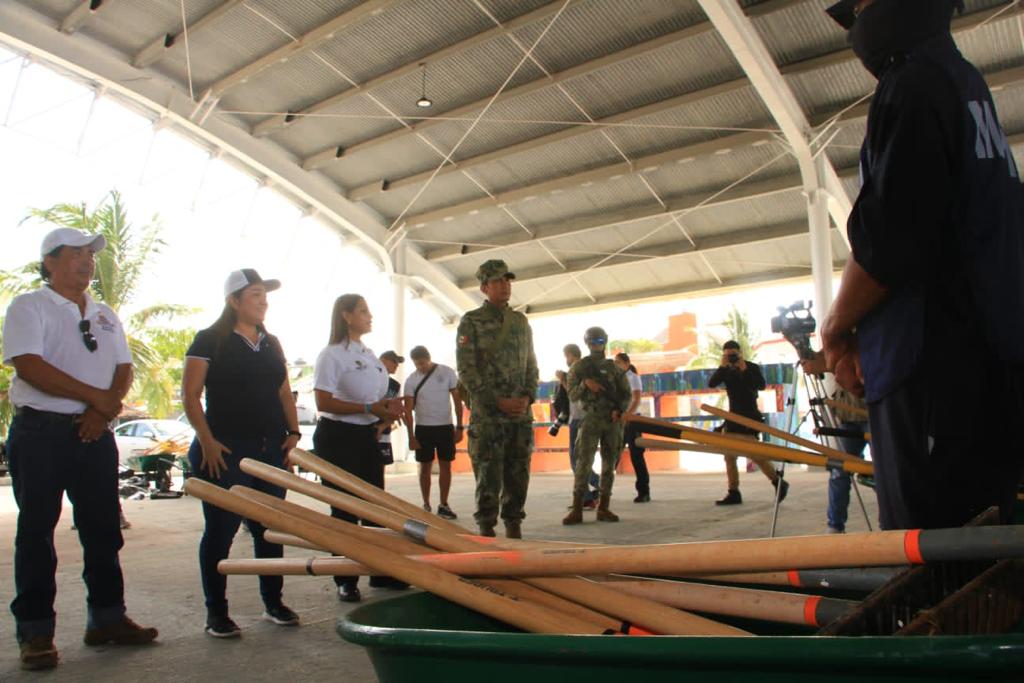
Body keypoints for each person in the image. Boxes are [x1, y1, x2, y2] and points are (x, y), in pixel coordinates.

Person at [822, 0, 1024, 529]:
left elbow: (892, 235)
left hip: (933, 369)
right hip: (988, 362)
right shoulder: (965, 84)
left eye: (862, 7)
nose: (856, 25)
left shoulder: (912, 85)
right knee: (983, 549)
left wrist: (838, 326)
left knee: (929, 553)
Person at [3, 228, 157, 670]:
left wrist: (101, 412)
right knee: (37, 532)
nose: (88, 261)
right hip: (41, 434)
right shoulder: (29, 306)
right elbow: (29, 366)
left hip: (94, 432)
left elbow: (123, 367)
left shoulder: (106, 312)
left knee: (103, 529)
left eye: (91, 254)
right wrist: (97, 399)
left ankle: (107, 619)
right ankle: (35, 633)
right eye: (77, 254)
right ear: (49, 261)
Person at [182, 269, 302, 638]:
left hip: (270, 449)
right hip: (226, 450)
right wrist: (207, 440)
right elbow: (190, 395)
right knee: (220, 532)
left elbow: (284, 392)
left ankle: (273, 602)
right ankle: (216, 612)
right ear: (233, 300)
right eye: (255, 295)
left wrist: (293, 432)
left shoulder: (271, 342)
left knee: (270, 530)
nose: (263, 301)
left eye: (265, 295)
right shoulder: (210, 340)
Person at [312, 294, 404, 602]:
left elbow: (376, 399)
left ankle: (379, 571)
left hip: (365, 436)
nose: (370, 315)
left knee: (374, 505)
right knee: (345, 508)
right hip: (337, 436)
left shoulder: (369, 355)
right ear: (346, 315)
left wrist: (387, 410)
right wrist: (369, 406)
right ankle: (345, 577)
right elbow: (323, 402)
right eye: (363, 311)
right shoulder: (331, 355)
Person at [456, 259, 538, 539]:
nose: (505, 285)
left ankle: (514, 526)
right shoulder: (472, 322)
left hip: (519, 415)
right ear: (484, 287)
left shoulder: (520, 322)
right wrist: (497, 402)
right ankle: (486, 530)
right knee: (488, 475)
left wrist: (527, 396)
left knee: (519, 474)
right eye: (498, 281)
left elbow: (531, 365)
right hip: (490, 416)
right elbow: (467, 370)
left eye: (508, 280)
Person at [563, 327, 631, 525]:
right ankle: (577, 508)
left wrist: (619, 410)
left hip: (612, 421)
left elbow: (626, 394)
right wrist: (586, 385)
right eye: (593, 341)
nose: (596, 345)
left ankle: (604, 507)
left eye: (600, 341)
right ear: (587, 343)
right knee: (583, 463)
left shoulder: (614, 369)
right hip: (591, 419)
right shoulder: (579, 368)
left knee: (609, 465)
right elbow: (572, 395)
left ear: (605, 341)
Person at [708, 341, 788, 505]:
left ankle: (777, 481)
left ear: (740, 352)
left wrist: (743, 367)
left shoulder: (751, 367)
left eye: (734, 354)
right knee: (729, 456)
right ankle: (733, 491)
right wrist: (723, 367)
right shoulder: (726, 370)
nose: (731, 357)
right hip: (732, 417)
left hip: (750, 417)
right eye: (728, 354)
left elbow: (760, 385)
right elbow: (712, 383)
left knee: (756, 454)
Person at [801, 352, 869, 534]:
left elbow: (830, 364)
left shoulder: (859, 339)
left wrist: (822, 365)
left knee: (883, 473)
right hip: (848, 417)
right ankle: (835, 524)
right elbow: (817, 360)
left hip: (872, 412)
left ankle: (893, 522)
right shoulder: (834, 340)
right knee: (839, 471)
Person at [403, 345, 463, 519]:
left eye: (422, 363)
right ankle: (426, 504)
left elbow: (457, 401)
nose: (420, 367)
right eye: (417, 365)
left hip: (445, 427)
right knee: (424, 467)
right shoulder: (411, 380)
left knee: (446, 465)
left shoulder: (447, 373)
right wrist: (411, 437)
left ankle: (444, 504)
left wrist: (460, 427)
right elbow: (408, 411)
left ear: (429, 358)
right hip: (423, 428)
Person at [559, 344, 599, 509]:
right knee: (581, 461)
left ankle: (590, 494)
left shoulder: (578, 369)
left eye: (566, 357)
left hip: (579, 419)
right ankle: (597, 487)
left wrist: (562, 379)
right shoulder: (587, 368)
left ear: (570, 355)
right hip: (585, 418)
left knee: (576, 461)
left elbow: (575, 394)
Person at [615, 352, 650, 503]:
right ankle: (601, 491)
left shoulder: (633, 378)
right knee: (613, 455)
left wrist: (627, 415)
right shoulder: (616, 379)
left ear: (627, 363)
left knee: (636, 456)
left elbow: (636, 399)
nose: (616, 365)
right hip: (619, 421)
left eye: (619, 362)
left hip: (632, 421)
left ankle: (644, 491)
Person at [377, 350, 405, 467]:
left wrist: (383, 426)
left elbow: (396, 410)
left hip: (384, 432)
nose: (397, 365)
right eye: (394, 362)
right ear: (383, 361)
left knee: (380, 466)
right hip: (366, 429)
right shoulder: (368, 379)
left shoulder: (395, 385)